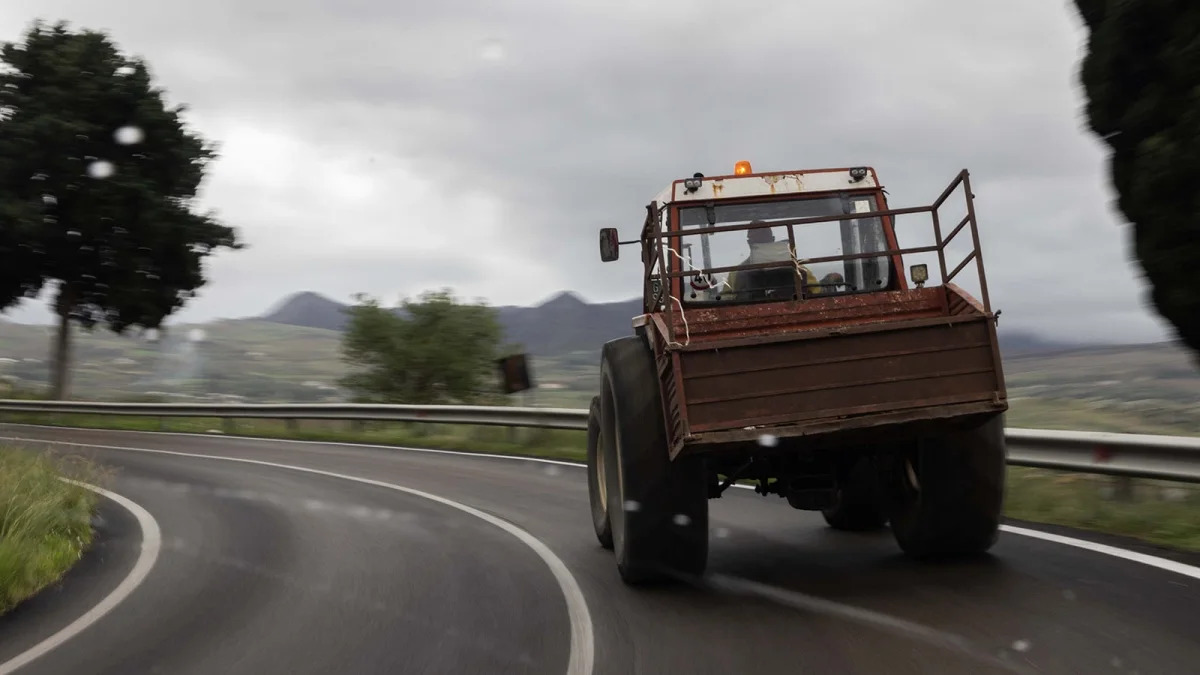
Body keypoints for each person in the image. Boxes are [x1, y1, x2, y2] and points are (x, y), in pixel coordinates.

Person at [726, 222, 821, 298]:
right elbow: (817, 292)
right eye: (759, 241)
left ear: (749, 243)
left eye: (763, 240)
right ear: (772, 239)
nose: (762, 243)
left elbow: (726, 300)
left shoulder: (736, 272)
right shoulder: (798, 268)